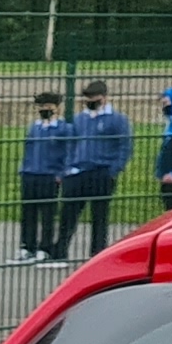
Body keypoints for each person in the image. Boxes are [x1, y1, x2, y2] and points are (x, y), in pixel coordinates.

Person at [67, 78, 131, 256]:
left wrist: (114, 169)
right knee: (69, 213)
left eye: (94, 98)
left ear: (104, 97)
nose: (90, 102)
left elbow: (124, 146)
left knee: (100, 215)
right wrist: (68, 168)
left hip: (102, 171)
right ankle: (60, 252)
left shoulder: (117, 119)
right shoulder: (80, 119)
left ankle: (97, 253)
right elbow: (70, 143)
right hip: (78, 172)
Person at [18, 90, 73, 261]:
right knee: (28, 212)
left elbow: (69, 152)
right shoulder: (34, 127)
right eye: (41, 106)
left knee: (48, 213)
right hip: (31, 173)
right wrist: (24, 169)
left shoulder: (64, 129)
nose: (44, 109)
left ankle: (45, 247)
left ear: (57, 108)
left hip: (50, 175)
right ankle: (27, 246)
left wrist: (61, 173)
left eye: (48, 106)